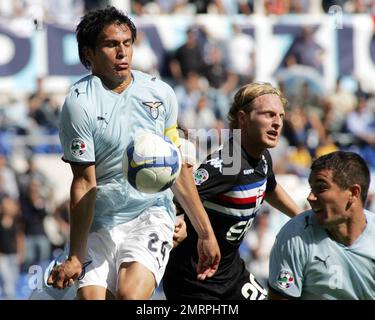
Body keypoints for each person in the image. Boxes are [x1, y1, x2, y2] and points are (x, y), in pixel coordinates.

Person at [47, 6, 220, 300]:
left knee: (130, 295)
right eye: (111, 44)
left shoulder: (160, 93)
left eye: (127, 43)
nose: (122, 52)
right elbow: (85, 182)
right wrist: (75, 255)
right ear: (88, 53)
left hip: (150, 213)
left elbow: (175, 168)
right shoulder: (79, 104)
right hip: (100, 221)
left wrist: (204, 231)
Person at [163, 82, 301, 300]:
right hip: (195, 281)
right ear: (243, 119)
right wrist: (181, 223)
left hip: (232, 275)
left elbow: (270, 186)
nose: (277, 123)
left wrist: (302, 217)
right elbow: (181, 196)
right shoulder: (228, 163)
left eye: (280, 116)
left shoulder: (262, 156)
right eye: (268, 114)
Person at [268, 151, 375, 300]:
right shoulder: (294, 236)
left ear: (353, 193)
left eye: (321, 188)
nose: (310, 197)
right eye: (311, 188)